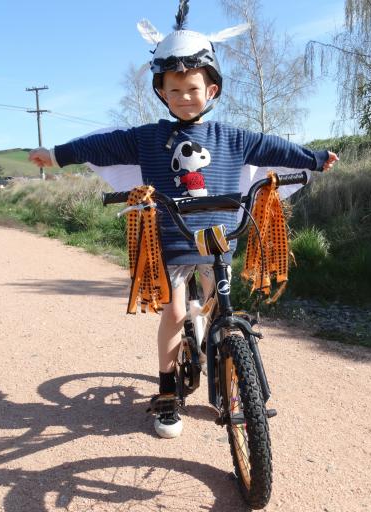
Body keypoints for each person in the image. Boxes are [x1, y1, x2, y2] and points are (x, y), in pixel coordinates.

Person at [29, 1, 339, 439]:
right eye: (172, 90)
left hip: (218, 236)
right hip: (172, 240)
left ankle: (232, 378)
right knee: (175, 311)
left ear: (212, 90)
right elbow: (102, 145)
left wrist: (313, 158)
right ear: (161, 92)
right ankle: (169, 388)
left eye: (192, 89)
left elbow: (276, 148)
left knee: (221, 306)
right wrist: (59, 155)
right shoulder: (148, 138)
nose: (182, 98)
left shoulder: (234, 137)